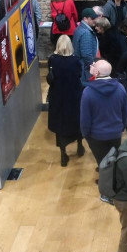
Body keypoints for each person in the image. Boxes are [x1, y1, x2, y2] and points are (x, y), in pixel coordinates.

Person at [80, 60, 127, 197]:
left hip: (96, 135)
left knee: (102, 160)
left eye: (94, 66)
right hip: (115, 133)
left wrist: (85, 134)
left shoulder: (88, 92)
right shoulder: (120, 88)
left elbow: (85, 118)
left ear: (97, 72)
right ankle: (111, 178)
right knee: (113, 157)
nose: (91, 66)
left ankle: (108, 189)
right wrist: (122, 126)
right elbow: (126, 111)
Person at [47, 35, 86, 167]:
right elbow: (79, 75)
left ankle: (63, 154)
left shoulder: (52, 60)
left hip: (57, 95)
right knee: (76, 120)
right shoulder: (75, 61)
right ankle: (80, 146)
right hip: (73, 95)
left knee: (60, 123)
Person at [72, 8, 99, 84]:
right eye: (92, 18)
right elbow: (86, 54)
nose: (95, 20)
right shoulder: (86, 33)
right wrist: (93, 67)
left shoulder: (79, 29)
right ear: (85, 19)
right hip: (84, 69)